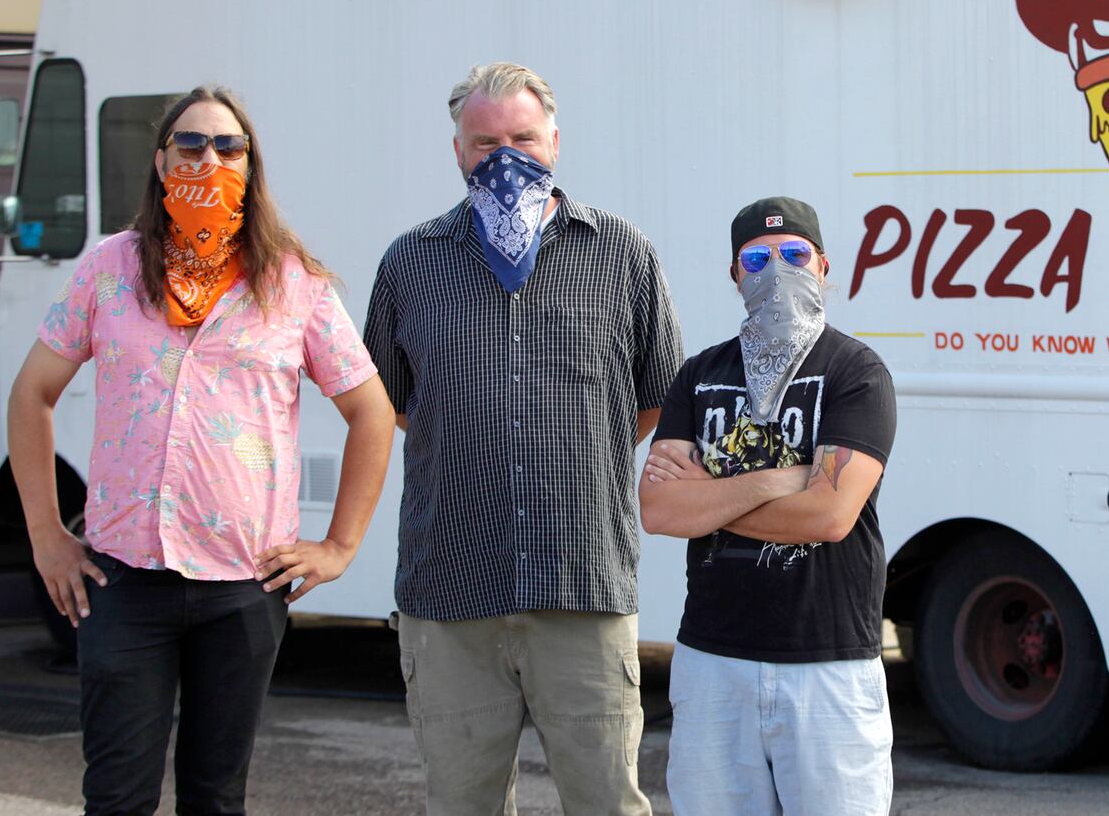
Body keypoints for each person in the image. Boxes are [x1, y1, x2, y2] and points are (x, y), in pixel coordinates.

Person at [7, 86, 396, 816]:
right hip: (122, 582)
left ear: (250, 167)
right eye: (190, 144)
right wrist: (45, 537)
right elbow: (31, 394)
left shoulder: (294, 284)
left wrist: (340, 545)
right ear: (160, 161)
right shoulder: (107, 269)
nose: (208, 158)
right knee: (117, 796)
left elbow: (370, 410)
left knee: (216, 799)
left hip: (243, 589)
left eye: (227, 146)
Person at [363, 62, 683, 816]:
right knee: (462, 804)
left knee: (607, 802)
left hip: (584, 587)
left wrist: (574, 452)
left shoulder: (623, 254)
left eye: (523, 137)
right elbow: (393, 404)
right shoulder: (411, 263)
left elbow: (649, 400)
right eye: (485, 141)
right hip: (450, 594)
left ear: (556, 142)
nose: (505, 157)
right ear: (457, 151)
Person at [641, 196, 898, 816]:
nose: (775, 269)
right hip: (713, 663)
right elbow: (657, 511)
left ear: (823, 266)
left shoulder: (855, 372)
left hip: (827, 665)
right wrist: (778, 481)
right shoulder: (699, 375)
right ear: (735, 275)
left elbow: (830, 517)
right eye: (756, 257)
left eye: (793, 254)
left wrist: (707, 490)